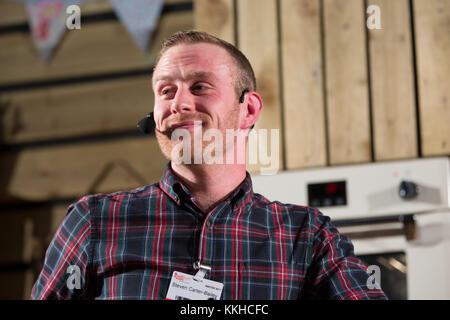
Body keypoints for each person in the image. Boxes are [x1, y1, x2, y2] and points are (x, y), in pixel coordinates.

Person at [31, 30, 387, 300]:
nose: (179, 103)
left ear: (248, 110)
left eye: (200, 87)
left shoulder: (308, 236)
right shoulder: (94, 221)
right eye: (166, 91)